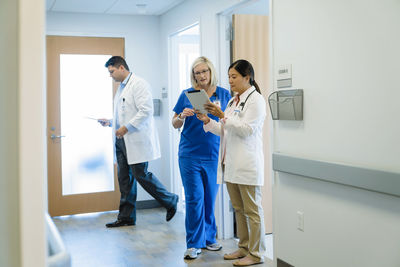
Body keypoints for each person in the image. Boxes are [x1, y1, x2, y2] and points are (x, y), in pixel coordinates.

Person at [196, 59, 267, 266]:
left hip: (247, 164)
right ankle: (244, 248)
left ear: (247, 77)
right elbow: (225, 131)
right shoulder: (233, 101)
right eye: (228, 77)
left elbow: (247, 129)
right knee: (239, 209)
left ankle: (256, 253)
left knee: (252, 211)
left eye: (234, 77)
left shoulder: (256, 100)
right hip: (230, 163)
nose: (230, 81)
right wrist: (209, 121)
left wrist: (222, 117)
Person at [99, 56, 178, 228]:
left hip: (135, 139)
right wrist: (111, 122)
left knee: (141, 175)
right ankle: (126, 217)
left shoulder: (139, 84)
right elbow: (124, 113)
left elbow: (146, 111)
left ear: (121, 68)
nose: (110, 75)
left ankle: (170, 199)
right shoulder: (121, 88)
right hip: (121, 140)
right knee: (124, 179)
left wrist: (126, 127)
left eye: (111, 71)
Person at [171, 56, 231, 260]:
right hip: (189, 154)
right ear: (193, 75)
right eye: (197, 73)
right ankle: (193, 243)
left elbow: (229, 121)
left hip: (213, 154)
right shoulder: (187, 94)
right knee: (195, 198)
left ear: (211, 71)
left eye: (204, 71)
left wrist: (218, 112)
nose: (201, 76)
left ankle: (209, 238)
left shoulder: (224, 94)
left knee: (209, 198)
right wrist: (182, 116)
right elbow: (174, 123)